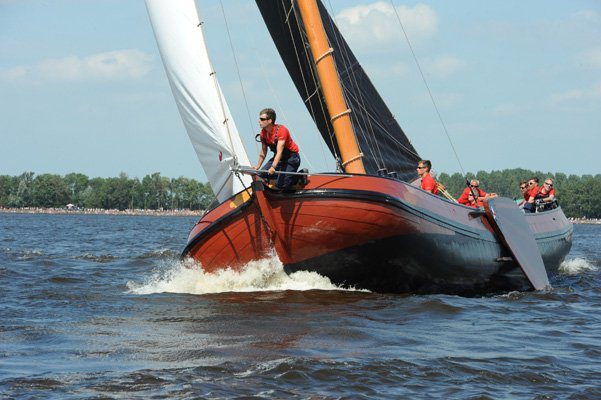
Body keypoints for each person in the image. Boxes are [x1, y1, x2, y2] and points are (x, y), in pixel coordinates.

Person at [252, 108, 303, 189]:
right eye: (259, 119)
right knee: (260, 175)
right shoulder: (263, 133)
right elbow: (263, 152)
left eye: (262, 119)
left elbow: (279, 151)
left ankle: (299, 177)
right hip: (279, 159)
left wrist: (273, 167)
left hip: (291, 158)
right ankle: (281, 178)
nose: (259, 121)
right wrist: (257, 166)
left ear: (270, 121)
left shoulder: (281, 130)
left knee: (282, 185)